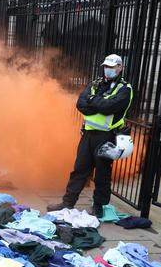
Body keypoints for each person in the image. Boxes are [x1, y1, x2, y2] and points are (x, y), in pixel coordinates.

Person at [48, 54, 133, 218]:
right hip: (88, 135)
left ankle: (99, 206)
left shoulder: (125, 89)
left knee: (102, 173)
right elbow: (81, 104)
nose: (108, 70)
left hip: (107, 137)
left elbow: (109, 107)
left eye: (112, 67)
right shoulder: (96, 83)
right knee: (79, 169)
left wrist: (93, 100)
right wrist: (98, 102)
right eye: (106, 66)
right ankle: (67, 203)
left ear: (120, 68)